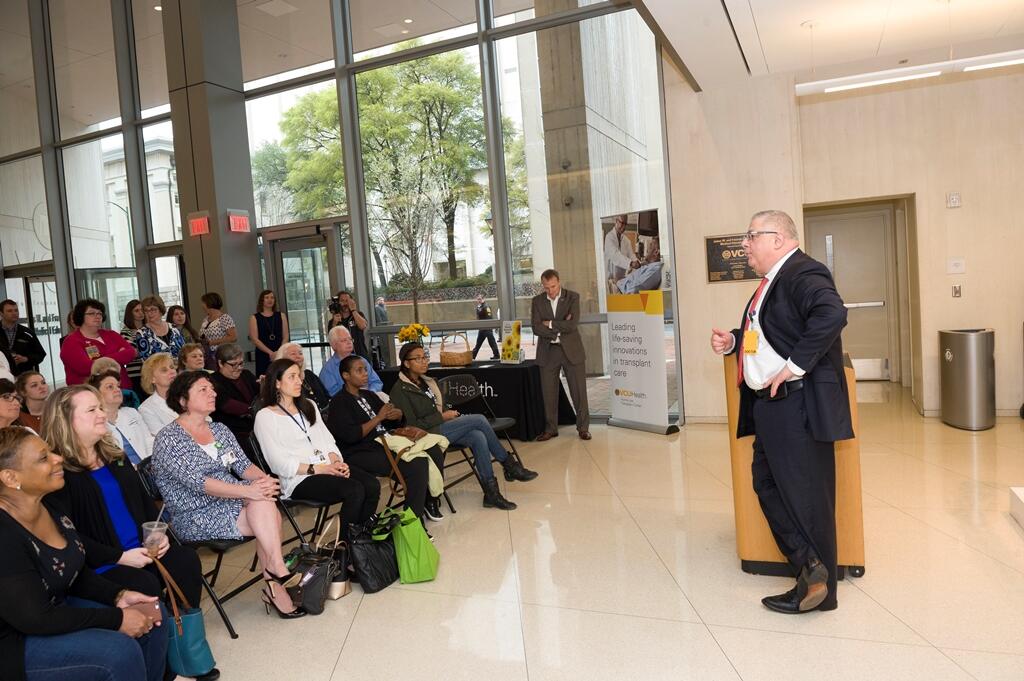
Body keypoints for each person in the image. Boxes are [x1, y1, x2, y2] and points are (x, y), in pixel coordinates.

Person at [710, 209, 852, 615]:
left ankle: (821, 590)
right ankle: (810, 570)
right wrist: (735, 341)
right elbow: (771, 335)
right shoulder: (772, 283)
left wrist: (794, 366)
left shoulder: (804, 272)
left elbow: (832, 314)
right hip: (774, 407)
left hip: (798, 404)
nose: (744, 244)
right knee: (770, 487)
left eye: (751, 236)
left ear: (778, 238)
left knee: (806, 498)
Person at [40, 386, 217, 680]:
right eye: (92, 410)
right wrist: (120, 556)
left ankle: (185, 650)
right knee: (144, 584)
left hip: (142, 548)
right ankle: (164, 672)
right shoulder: (61, 474)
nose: (102, 414)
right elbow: (67, 536)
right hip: (101, 562)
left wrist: (159, 534)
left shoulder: (115, 456)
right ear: (66, 420)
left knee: (185, 561)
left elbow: (145, 505)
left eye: (100, 407)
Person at [0, 427, 169, 681]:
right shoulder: (5, 534)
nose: (58, 458)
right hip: (14, 639)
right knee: (119, 652)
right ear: (10, 478)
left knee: (152, 613)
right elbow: (34, 618)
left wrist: (118, 595)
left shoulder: (50, 506)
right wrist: (116, 618)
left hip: (56, 608)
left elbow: (72, 573)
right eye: (44, 458)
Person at [150, 372, 305, 618]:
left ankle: (275, 573)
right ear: (182, 400)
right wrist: (250, 490)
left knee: (262, 501)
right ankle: (275, 581)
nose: (212, 393)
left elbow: (242, 466)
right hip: (195, 513)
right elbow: (199, 483)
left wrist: (262, 479)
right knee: (264, 509)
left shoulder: (219, 430)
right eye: (203, 390)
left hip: (233, 500)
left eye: (212, 389)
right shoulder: (169, 439)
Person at [390, 342, 537, 510]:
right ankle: (509, 465)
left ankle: (491, 494)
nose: (424, 361)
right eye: (418, 358)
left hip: (441, 426)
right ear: (406, 363)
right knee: (480, 420)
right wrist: (442, 416)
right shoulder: (399, 390)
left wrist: (447, 415)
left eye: (425, 357)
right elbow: (412, 425)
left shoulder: (427, 381)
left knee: (478, 436)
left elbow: (439, 407)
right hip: (426, 435)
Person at [254, 359, 380, 542]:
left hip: (327, 467)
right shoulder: (265, 417)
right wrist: (321, 469)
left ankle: (360, 538)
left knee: (372, 485)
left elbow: (327, 440)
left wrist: (336, 461)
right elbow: (278, 464)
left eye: (299, 375)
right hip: (300, 478)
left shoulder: (309, 406)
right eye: (292, 377)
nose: (299, 381)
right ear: (277, 383)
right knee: (354, 490)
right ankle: (345, 547)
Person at [327, 354, 443, 522]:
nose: (365, 373)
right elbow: (351, 436)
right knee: (417, 464)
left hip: (386, 441)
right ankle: (412, 522)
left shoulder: (368, 395)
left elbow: (389, 421)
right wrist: (378, 418)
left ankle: (428, 500)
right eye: (359, 370)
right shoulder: (339, 402)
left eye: (365, 369)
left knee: (433, 449)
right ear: (346, 376)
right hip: (360, 451)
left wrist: (397, 415)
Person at [530, 269, 590, 441]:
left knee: (578, 391)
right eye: (547, 287)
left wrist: (548, 323)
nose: (551, 291)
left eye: (553, 286)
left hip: (572, 351)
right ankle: (551, 429)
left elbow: (572, 325)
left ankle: (583, 428)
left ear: (559, 282)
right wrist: (559, 327)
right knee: (548, 393)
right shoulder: (537, 301)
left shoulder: (573, 297)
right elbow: (535, 327)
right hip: (548, 352)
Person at [60, 299, 137, 389]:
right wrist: (120, 355)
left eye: (100, 313)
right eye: (92, 313)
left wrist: (100, 360)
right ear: (81, 316)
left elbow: (131, 353)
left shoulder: (111, 334)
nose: (97, 316)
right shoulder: (71, 341)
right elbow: (86, 368)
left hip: (122, 390)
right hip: (91, 394)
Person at [89, 370, 153, 463]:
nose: (118, 389)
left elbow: (149, 441)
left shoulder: (131, 412)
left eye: (118, 386)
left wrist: (152, 464)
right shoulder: (95, 424)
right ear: (96, 394)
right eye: (110, 387)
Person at [208, 343, 259, 456]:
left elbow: (261, 396)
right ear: (220, 363)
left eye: (241, 363)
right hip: (233, 432)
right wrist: (255, 409)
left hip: (256, 425)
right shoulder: (213, 381)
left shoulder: (247, 374)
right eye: (233, 364)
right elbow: (227, 405)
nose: (239, 368)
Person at [319, 326, 383, 398]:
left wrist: (369, 393)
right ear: (334, 345)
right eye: (344, 340)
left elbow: (377, 382)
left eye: (350, 339)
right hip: (347, 405)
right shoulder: (328, 370)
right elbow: (334, 394)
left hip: (370, 397)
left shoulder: (361, 360)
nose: (349, 342)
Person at [275, 342, 330, 410]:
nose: (298, 356)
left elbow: (326, 396)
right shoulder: (281, 379)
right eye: (293, 354)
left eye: (300, 353)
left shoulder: (309, 374)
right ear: (282, 359)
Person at [0, 299, 46, 376]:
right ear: (1, 313)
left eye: (16, 310)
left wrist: (26, 359)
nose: (14, 313)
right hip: (2, 377)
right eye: (9, 311)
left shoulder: (27, 333)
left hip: (23, 377)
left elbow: (40, 354)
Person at [249, 290, 289, 377]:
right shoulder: (255, 318)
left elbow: (286, 336)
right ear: (261, 300)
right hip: (263, 354)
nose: (270, 300)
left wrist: (279, 352)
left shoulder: (281, 316)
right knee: (265, 380)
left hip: (280, 352)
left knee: (281, 377)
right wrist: (271, 353)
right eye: (267, 297)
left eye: (272, 297)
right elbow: (255, 339)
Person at [133, 295, 184, 361]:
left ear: (161, 310)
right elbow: (147, 361)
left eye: (153, 309)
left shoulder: (175, 328)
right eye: (146, 310)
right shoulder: (142, 333)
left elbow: (184, 352)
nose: (149, 313)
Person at [138, 353, 178, 436]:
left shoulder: (190, 395)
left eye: (172, 367)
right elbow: (164, 438)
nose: (171, 371)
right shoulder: (146, 409)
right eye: (164, 370)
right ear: (152, 379)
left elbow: (207, 421)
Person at [198, 292, 237, 370]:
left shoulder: (225, 318)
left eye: (203, 303)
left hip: (220, 355)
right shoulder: (206, 319)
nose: (202, 305)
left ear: (208, 303)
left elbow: (233, 337)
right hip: (207, 355)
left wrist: (212, 342)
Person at [328, 291, 369, 361]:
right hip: (343, 359)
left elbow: (363, 326)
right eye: (342, 301)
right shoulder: (333, 321)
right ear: (338, 302)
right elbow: (332, 339)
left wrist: (353, 310)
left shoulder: (358, 315)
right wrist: (335, 322)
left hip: (360, 356)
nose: (345, 303)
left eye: (347, 301)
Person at [604, 214, 640, 282]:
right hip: (610, 279)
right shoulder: (609, 237)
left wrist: (637, 262)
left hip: (622, 279)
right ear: (616, 221)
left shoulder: (626, 240)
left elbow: (631, 254)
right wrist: (631, 263)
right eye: (622, 223)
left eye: (625, 224)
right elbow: (615, 255)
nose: (624, 227)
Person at [120, 300, 145, 396]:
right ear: (130, 314)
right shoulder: (126, 331)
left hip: (151, 373)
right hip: (136, 374)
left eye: (142, 310)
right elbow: (132, 353)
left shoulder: (149, 328)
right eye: (136, 311)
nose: (140, 313)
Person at [472, 295, 500, 360]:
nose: (479, 300)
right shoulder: (479, 307)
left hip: (487, 328)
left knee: (492, 342)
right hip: (482, 328)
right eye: (478, 299)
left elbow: (489, 317)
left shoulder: (486, 307)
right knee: (478, 343)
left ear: (483, 299)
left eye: (480, 299)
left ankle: (497, 355)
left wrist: (489, 326)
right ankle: (473, 356)